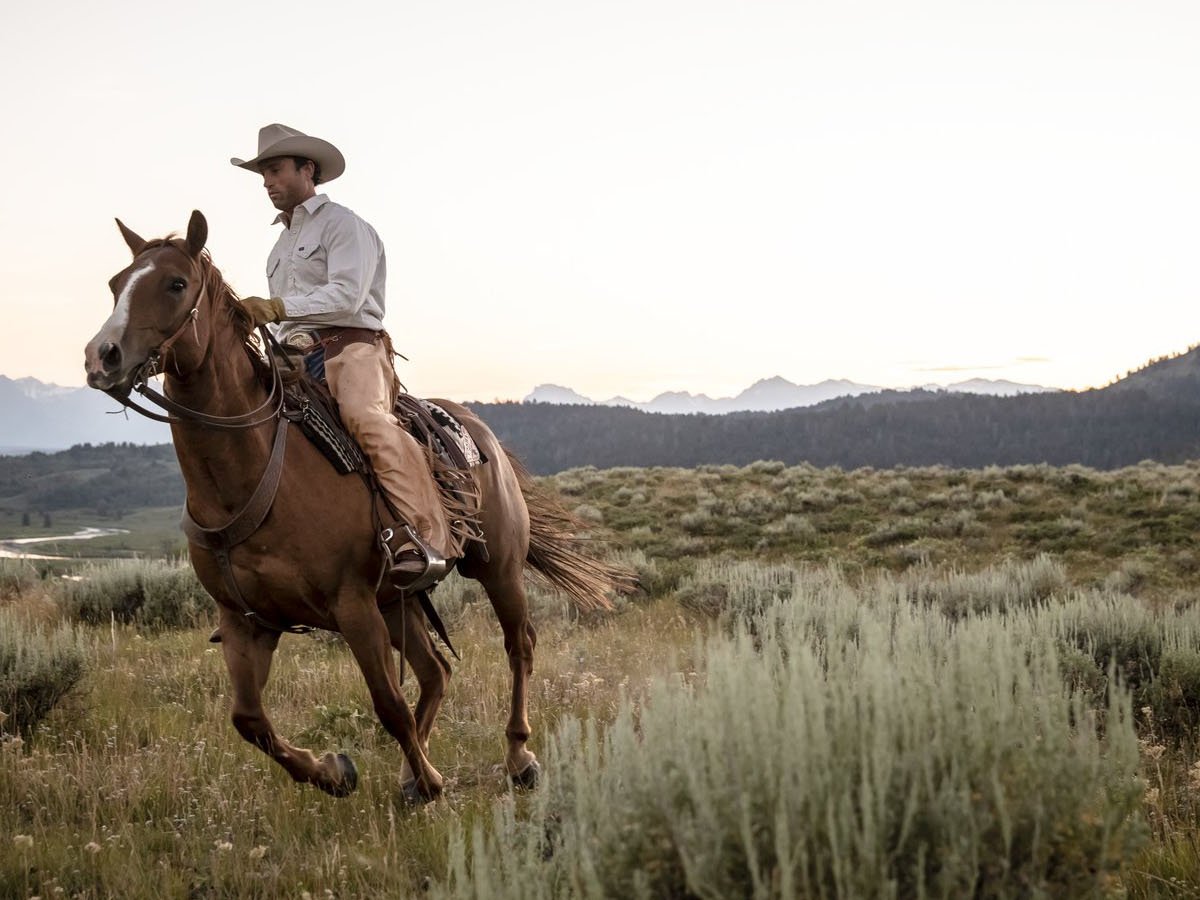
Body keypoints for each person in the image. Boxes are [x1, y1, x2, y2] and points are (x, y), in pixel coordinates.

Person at [231, 123, 454, 591]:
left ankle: (419, 536)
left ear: (306, 170)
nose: (268, 182)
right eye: (262, 175)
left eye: (274, 170)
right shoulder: (278, 248)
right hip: (292, 354)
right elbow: (283, 319)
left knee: (363, 418)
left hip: (351, 347)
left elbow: (349, 295)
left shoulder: (345, 225)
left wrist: (276, 308)